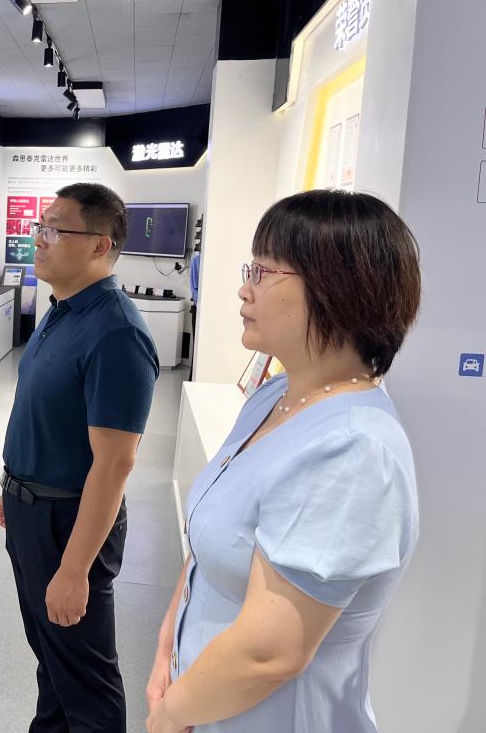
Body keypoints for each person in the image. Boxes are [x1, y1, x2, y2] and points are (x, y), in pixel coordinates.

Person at [145, 190, 422, 733]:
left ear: (336, 288)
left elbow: (267, 654)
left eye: (264, 271)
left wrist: (168, 718)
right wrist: (166, 652)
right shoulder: (276, 396)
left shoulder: (352, 449)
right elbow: (206, 547)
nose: (244, 288)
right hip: (201, 704)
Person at [0, 183, 160, 732]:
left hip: (69, 522)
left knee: (86, 677)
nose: (38, 239)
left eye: (54, 230)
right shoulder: (60, 309)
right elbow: (44, 413)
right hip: (30, 508)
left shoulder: (116, 333)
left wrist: (74, 570)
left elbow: (114, 464)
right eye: (39, 227)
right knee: (52, 656)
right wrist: (14, 485)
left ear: (99, 245)